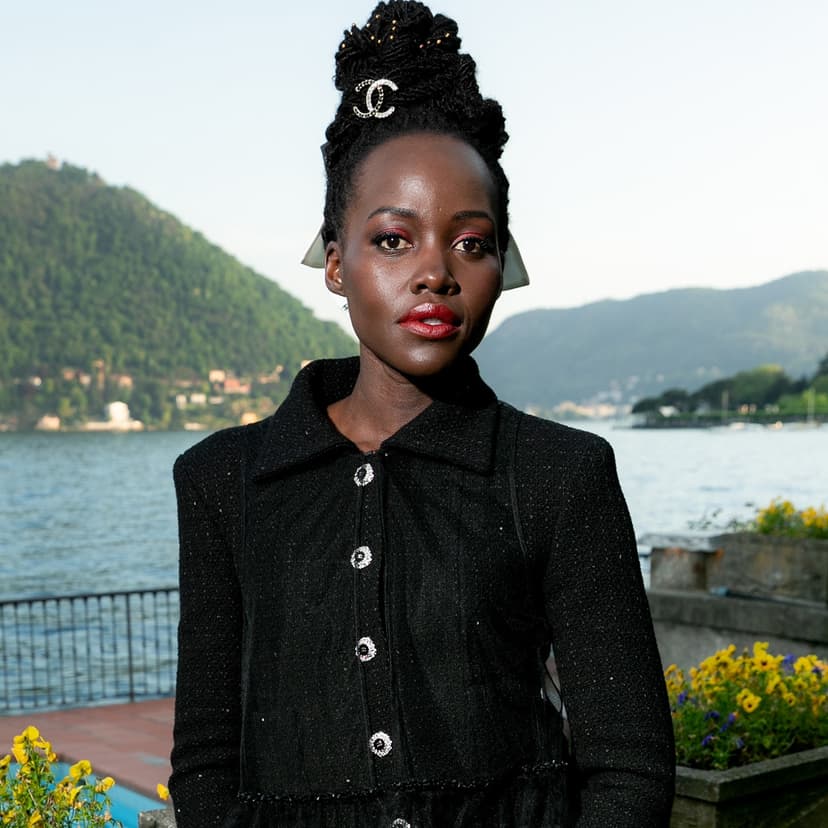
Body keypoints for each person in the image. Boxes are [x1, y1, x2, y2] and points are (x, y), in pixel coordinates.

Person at [168, 2, 675, 826]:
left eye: (471, 243)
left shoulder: (561, 475)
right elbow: (205, 764)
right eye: (394, 240)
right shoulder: (222, 479)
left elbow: (630, 771)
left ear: (501, 262)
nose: (436, 273)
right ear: (336, 262)